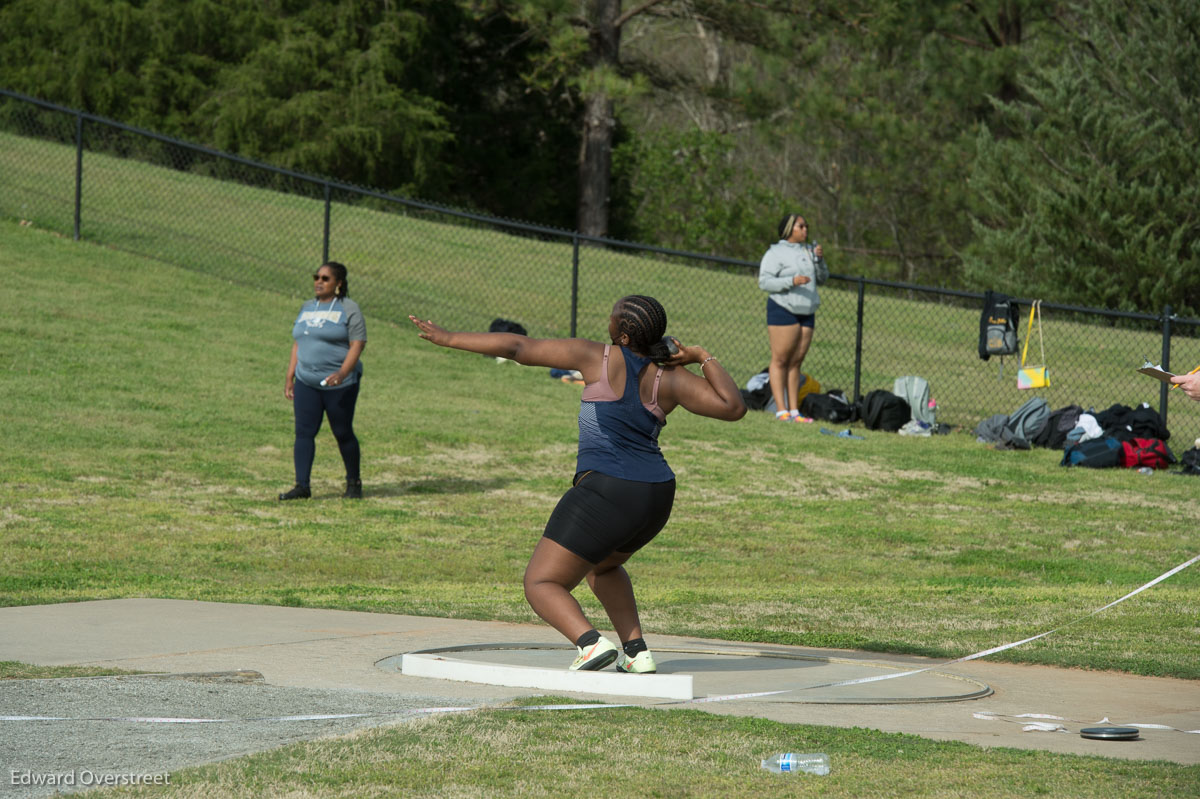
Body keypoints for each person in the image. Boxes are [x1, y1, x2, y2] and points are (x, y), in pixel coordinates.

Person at [409, 296, 745, 672]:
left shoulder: (595, 356)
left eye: (611, 316)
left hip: (608, 490)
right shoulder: (672, 378)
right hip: (656, 495)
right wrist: (702, 356)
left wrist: (449, 338)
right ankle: (636, 652)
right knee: (601, 567)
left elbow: (518, 347)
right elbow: (733, 407)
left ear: (622, 333)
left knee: (541, 582)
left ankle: (590, 644)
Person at [280, 262, 367, 501]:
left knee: (342, 431)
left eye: (325, 278)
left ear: (338, 283)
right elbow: (298, 343)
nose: (319, 281)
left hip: (339, 384)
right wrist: (291, 374)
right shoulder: (307, 307)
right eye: (316, 276)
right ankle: (302, 486)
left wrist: (342, 372)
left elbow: (357, 344)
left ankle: (353, 483)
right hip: (306, 380)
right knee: (303, 432)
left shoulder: (349, 308)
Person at [758, 213, 828, 422]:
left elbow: (823, 278)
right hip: (783, 309)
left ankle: (795, 411)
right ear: (789, 229)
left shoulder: (809, 251)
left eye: (806, 226)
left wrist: (820, 261)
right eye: (801, 226)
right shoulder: (775, 252)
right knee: (781, 360)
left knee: (796, 362)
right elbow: (764, 282)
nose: (805, 230)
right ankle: (781, 410)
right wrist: (792, 280)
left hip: (807, 311)